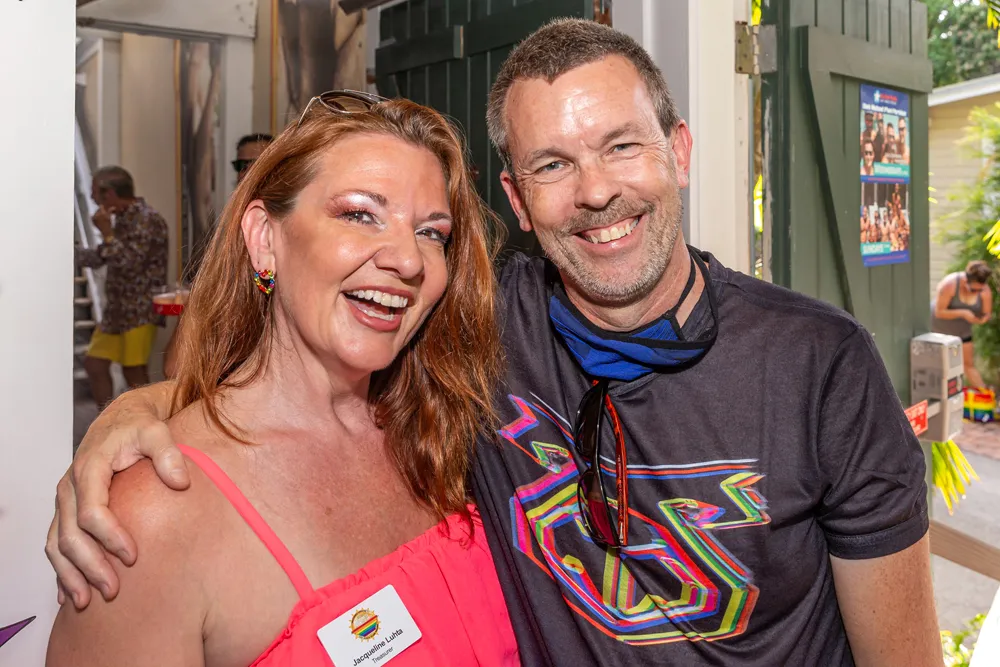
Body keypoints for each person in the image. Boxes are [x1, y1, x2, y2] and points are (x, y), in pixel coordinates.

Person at [49, 20, 942, 666]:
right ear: (518, 200)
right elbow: (289, 384)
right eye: (553, 164)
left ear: (678, 151)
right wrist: (130, 419)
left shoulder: (819, 363)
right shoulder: (478, 329)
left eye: (622, 146)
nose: (596, 191)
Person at [47, 94, 519, 666]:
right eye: (359, 214)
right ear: (264, 238)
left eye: (432, 233)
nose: (408, 260)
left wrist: (134, 404)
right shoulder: (157, 514)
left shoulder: (448, 432)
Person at [163, 134, 277, 379]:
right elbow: (175, 367)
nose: (247, 171)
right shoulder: (232, 224)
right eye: (242, 165)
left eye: (257, 162)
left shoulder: (288, 224)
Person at [77, 167, 169, 408]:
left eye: (94, 192)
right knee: (95, 364)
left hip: (139, 311)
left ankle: (147, 422)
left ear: (109, 194)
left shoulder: (148, 219)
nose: (92, 197)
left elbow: (129, 263)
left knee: (134, 372)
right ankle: (108, 421)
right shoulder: (122, 218)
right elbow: (104, 256)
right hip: (116, 311)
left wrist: (107, 233)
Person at [933, 261, 994, 389]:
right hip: (939, 327)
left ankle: (986, 395)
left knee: (968, 364)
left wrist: (982, 319)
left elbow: (986, 313)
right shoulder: (949, 284)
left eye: (980, 290)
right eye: (973, 289)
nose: (976, 293)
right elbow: (939, 312)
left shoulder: (985, 291)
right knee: (939, 365)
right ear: (965, 281)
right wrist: (963, 313)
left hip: (962, 329)